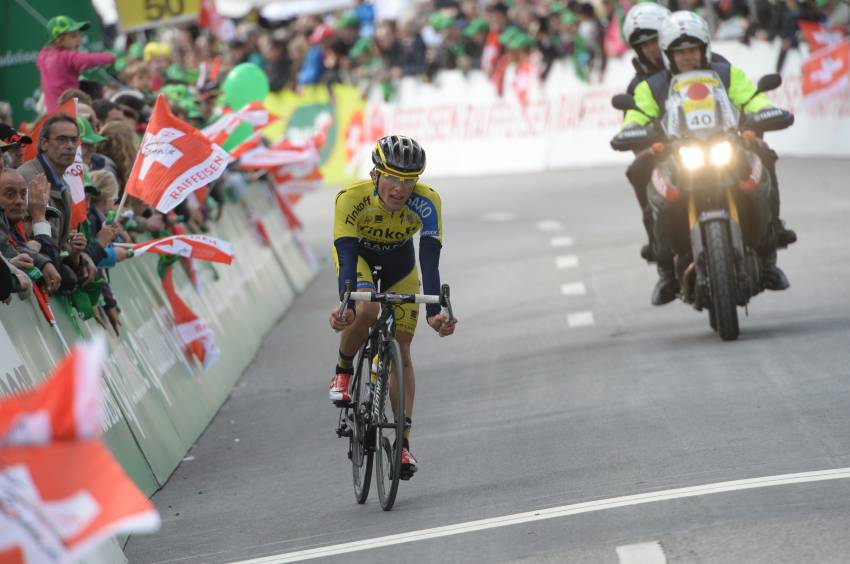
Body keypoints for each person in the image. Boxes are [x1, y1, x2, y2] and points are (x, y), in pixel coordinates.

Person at [620, 10, 792, 304]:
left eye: (693, 49)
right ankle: (665, 264)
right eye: (680, 52)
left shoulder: (725, 72)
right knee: (641, 170)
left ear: (704, 47)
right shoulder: (651, 86)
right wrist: (632, 130)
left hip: (726, 146)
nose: (687, 57)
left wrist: (764, 110)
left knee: (763, 155)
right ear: (668, 54)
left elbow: (751, 97)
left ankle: (768, 250)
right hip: (678, 155)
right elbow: (636, 114)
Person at [328, 135, 457, 479]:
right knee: (366, 310)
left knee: (402, 347)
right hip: (361, 261)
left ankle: (402, 444)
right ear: (375, 175)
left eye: (408, 181)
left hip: (402, 265)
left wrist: (435, 312)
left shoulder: (428, 202)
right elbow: (346, 254)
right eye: (392, 179)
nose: (400, 189)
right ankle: (344, 369)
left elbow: (429, 259)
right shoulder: (351, 199)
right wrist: (348, 304)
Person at [37, 15, 116, 113]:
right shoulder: (67, 57)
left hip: (52, 113)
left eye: (79, 35)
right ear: (59, 39)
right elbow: (88, 59)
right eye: (73, 36)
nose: (79, 39)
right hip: (70, 111)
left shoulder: (42, 56)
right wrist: (111, 57)